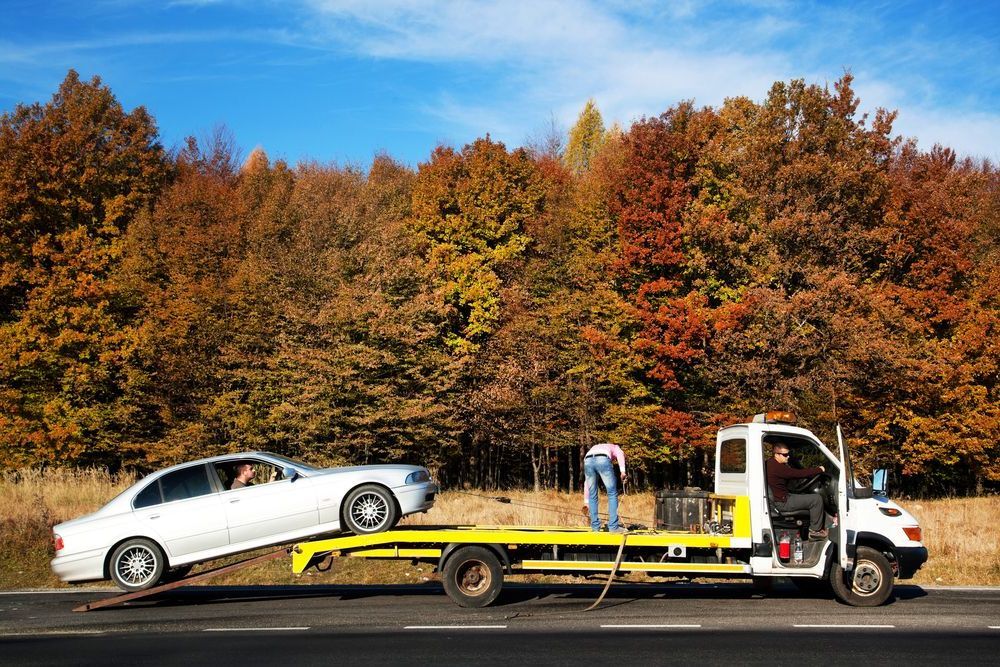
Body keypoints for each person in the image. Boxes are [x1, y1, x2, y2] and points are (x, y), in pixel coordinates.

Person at [766, 445, 828, 540]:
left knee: (806, 496)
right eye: (785, 454)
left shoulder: (769, 463)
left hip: (779, 499)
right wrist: (819, 469)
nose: (788, 456)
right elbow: (798, 474)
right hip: (782, 502)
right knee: (816, 499)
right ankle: (815, 532)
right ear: (776, 455)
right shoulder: (777, 467)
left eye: (788, 454)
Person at [581, 442, 627, 533]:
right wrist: (623, 472)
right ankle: (613, 527)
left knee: (592, 494)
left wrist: (586, 502)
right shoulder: (616, 447)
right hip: (602, 459)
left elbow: (586, 483)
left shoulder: (595, 447)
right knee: (612, 493)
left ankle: (595, 528)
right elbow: (620, 454)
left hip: (587, 460)